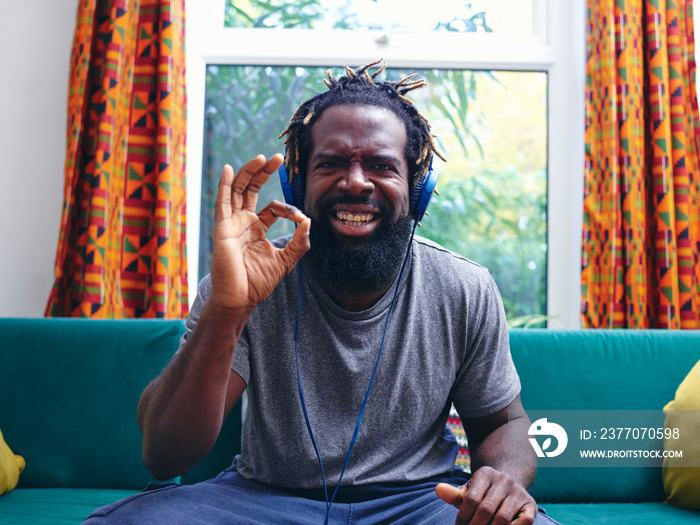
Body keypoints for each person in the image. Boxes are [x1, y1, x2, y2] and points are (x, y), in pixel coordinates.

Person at [85, 60, 559, 525]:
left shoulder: (463, 287)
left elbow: (502, 424)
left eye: (381, 165)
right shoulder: (245, 282)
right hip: (265, 499)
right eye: (331, 164)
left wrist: (503, 479)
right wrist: (227, 312)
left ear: (417, 189)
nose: (355, 181)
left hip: (420, 502)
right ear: (297, 186)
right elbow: (164, 456)